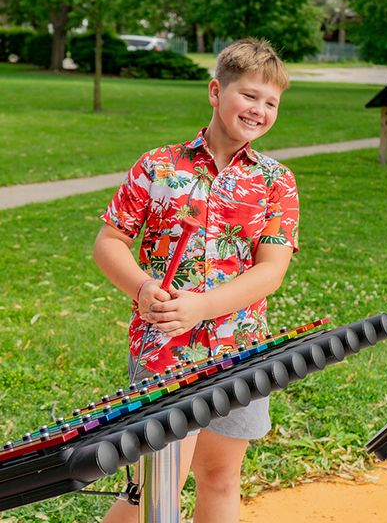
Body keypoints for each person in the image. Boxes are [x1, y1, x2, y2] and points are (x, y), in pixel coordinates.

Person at [94, 38, 299, 523]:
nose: (259, 110)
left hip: (240, 352)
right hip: (164, 351)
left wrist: (204, 307)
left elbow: (270, 271)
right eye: (249, 95)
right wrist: (143, 288)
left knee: (222, 478)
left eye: (271, 102)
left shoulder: (276, 181)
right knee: (153, 486)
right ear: (215, 91)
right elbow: (109, 242)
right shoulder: (159, 165)